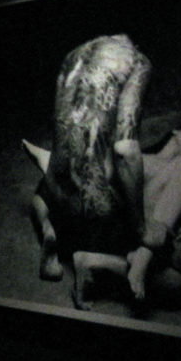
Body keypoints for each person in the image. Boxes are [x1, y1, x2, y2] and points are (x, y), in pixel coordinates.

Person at [22, 124, 181, 309]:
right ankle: (135, 256)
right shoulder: (140, 158)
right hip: (120, 226)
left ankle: (95, 262)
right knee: (116, 161)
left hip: (143, 238)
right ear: (177, 130)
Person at [29, 35, 152, 284]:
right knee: (144, 184)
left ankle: (48, 228)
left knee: (41, 192)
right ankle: (93, 259)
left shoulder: (73, 55)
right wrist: (141, 228)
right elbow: (125, 150)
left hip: (56, 193)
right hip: (93, 211)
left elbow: (64, 129)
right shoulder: (137, 62)